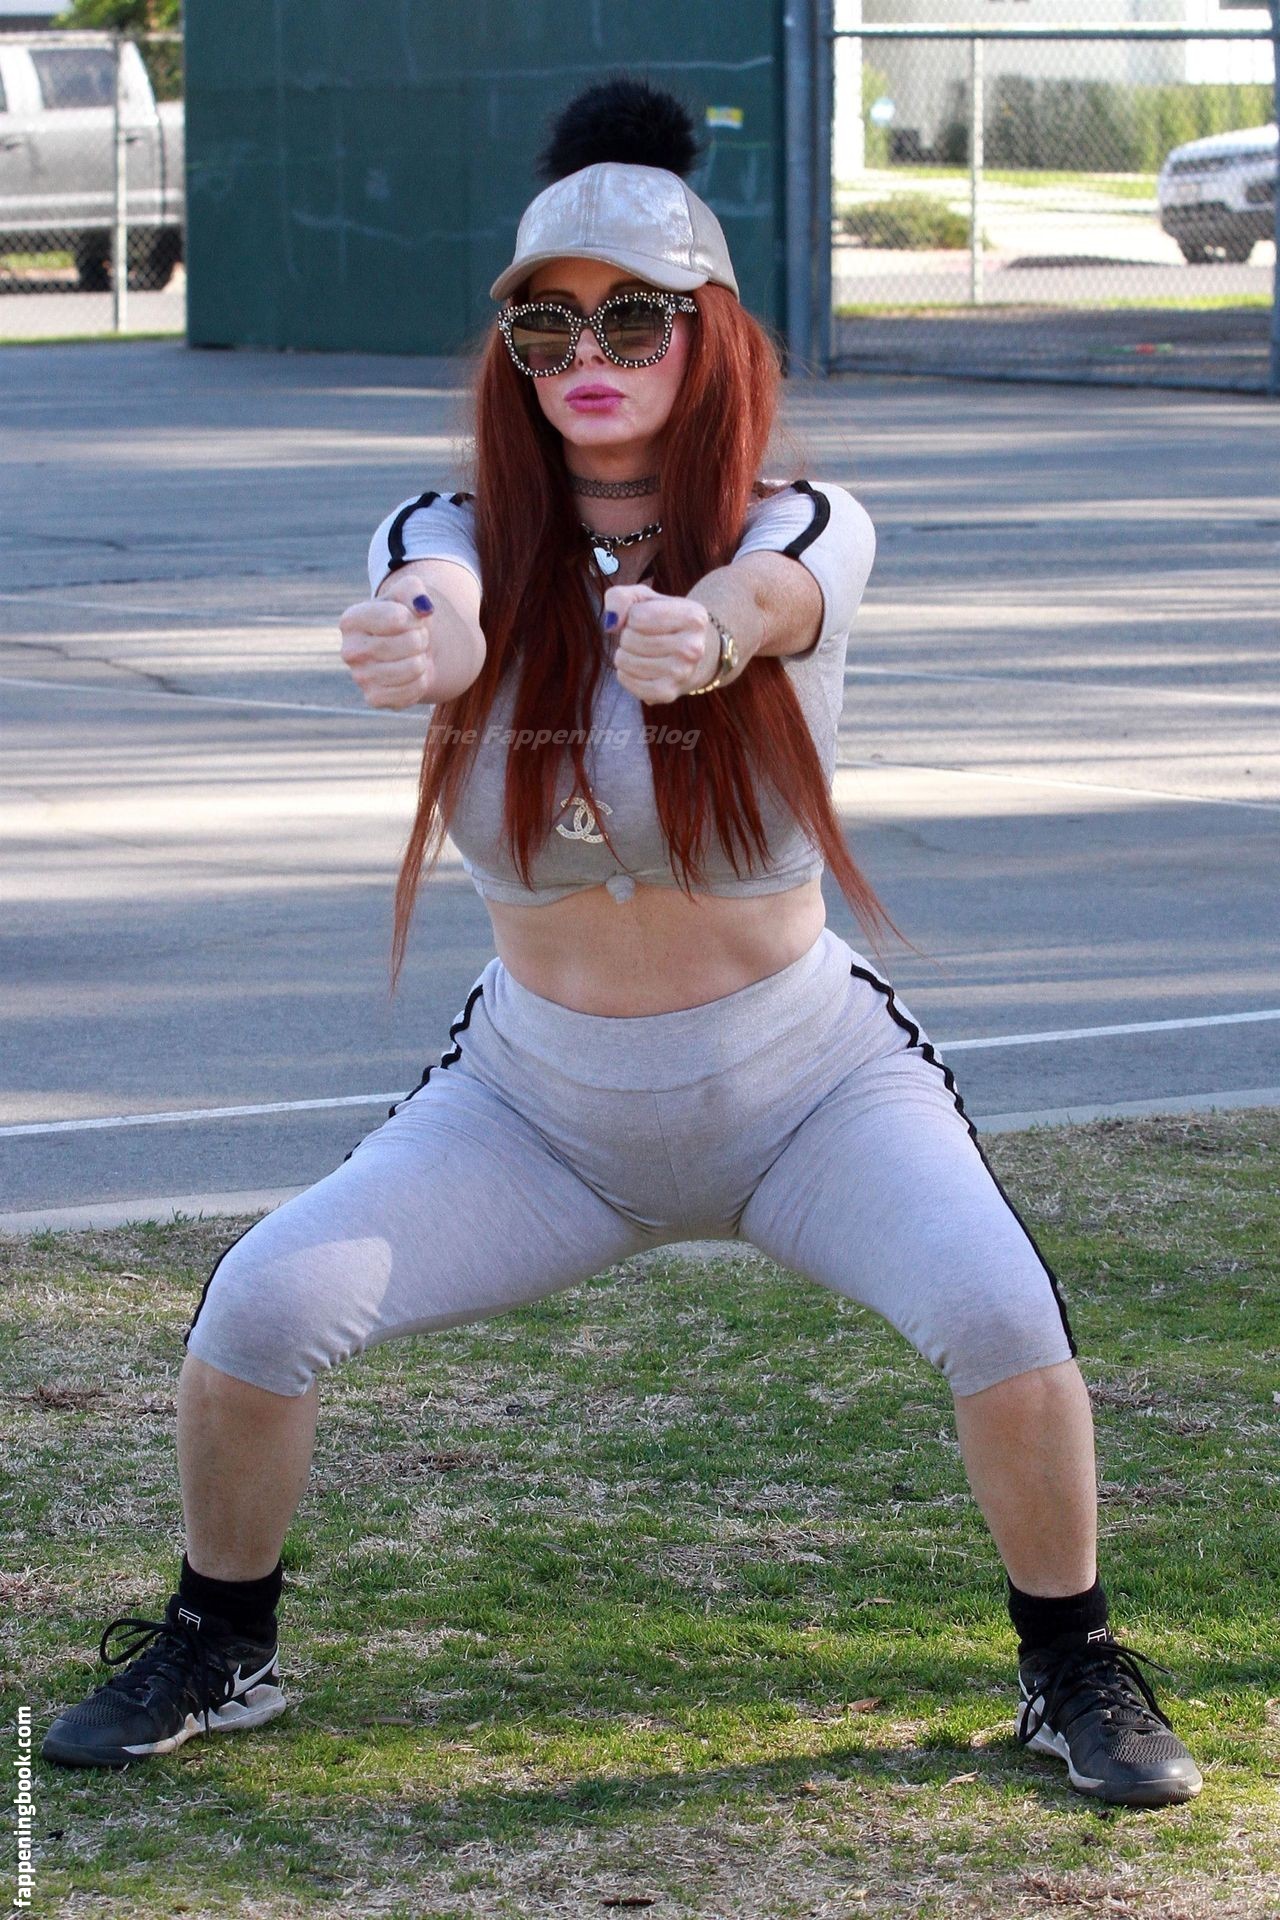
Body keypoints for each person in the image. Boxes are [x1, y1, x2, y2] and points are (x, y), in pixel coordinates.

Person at [42, 78, 1201, 1810]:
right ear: (510, 348)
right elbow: (437, 600)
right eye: (547, 323)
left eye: (634, 317)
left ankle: (1072, 1666)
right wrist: (424, 642)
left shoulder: (803, 520)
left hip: (809, 1088)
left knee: (999, 1309)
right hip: (539, 1106)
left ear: (705, 331)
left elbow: (779, 594)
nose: (589, 353)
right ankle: (224, 1641)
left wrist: (708, 633)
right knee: (262, 1306)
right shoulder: (447, 531)